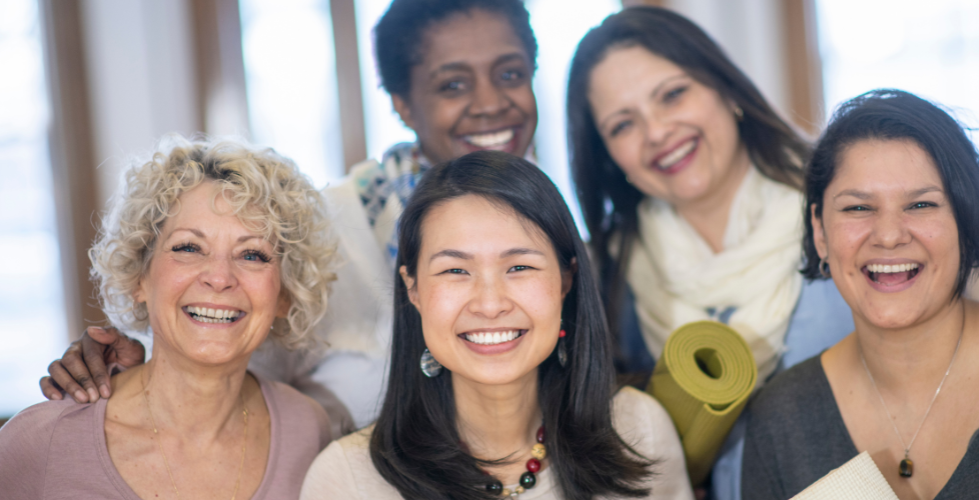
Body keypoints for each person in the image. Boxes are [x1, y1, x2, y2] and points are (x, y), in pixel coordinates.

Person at [565, 8, 979, 498]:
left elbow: (978, 285)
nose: (657, 131)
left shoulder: (847, 201)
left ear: (726, 90)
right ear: (608, 155)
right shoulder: (612, 273)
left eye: (672, 94)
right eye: (622, 124)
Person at [39, 0, 541, 434]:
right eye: (453, 84)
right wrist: (125, 368)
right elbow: (211, 357)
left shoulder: (555, 236)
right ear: (403, 105)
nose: (492, 102)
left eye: (511, 74)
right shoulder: (323, 229)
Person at [741, 89, 979, 499]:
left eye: (920, 205)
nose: (888, 236)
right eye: (858, 208)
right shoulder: (782, 418)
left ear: (966, 221)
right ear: (819, 232)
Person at [300, 151, 694, 499]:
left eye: (519, 267)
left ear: (566, 280)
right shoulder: (347, 480)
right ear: (413, 289)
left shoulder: (639, 430)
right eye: (455, 270)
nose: (490, 304)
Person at [0, 137, 335, 499]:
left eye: (252, 254)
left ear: (284, 293)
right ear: (139, 276)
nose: (220, 277)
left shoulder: (307, 429)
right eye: (189, 247)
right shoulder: (40, 444)